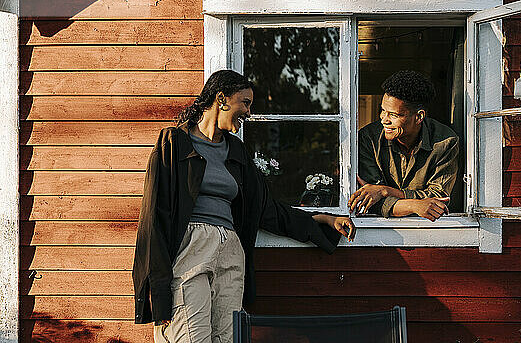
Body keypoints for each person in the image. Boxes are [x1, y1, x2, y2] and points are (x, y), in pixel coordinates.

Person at [132, 70, 356, 343]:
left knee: (228, 338)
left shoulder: (236, 152)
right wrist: (159, 292)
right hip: (190, 248)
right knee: (189, 336)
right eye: (245, 103)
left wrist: (320, 219)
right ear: (222, 99)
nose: (249, 112)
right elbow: (155, 219)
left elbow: (265, 208)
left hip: (230, 250)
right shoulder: (174, 143)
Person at [348, 70, 459, 221]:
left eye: (394, 115)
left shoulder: (446, 142)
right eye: (383, 111)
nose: (384, 120)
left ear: (419, 116)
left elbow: (438, 199)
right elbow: (370, 199)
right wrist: (414, 205)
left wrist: (384, 191)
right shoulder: (368, 138)